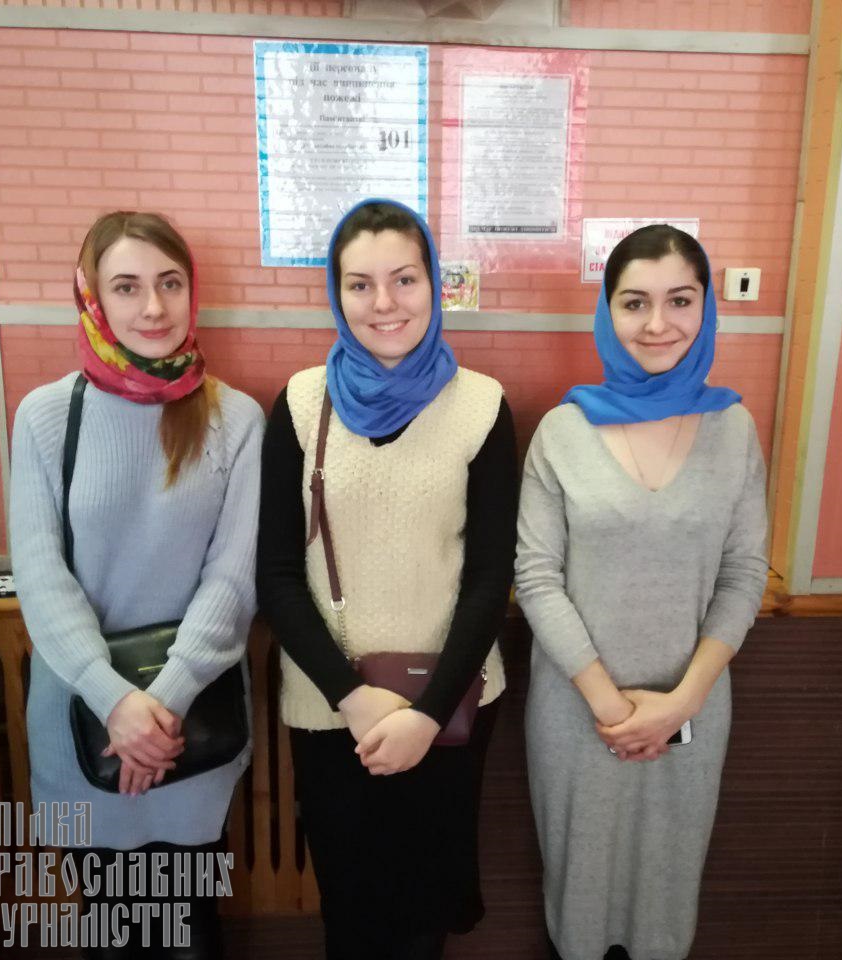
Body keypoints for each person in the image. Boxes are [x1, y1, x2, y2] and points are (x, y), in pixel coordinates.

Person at [256, 198, 518, 960]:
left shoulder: (481, 406)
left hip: (450, 705)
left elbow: (490, 576)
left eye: (404, 279)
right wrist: (353, 697)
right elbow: (277, 574)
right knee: (352, 913)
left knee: (424, 918)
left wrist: (425, 716)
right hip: (330, 708)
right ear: (335, 294)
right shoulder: (302, 403)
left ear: (434, 284)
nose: (384, 303)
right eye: (360, 284)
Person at [9, 211, 263, 960]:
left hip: (193, 725)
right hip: (81, 721)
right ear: (92, 297)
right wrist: (115, 702)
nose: (153, 307)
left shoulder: (236, 418)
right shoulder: (46, 416)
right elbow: (40, 575)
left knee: (190, 930)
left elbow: (234, 578)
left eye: (170, 284)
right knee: (108, 929)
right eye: (127, 287)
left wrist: (163, 706)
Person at [514, 225, 769, 960]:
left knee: (665, 901)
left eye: (680, 300)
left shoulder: (734, 430)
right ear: (608, 312)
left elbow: (744, 573)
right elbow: (536, 577)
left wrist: (682, 702)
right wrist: (609, 707)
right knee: (579, 901)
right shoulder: (562, 432)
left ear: (706, 307)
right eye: (635, 303)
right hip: (577, 715)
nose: (658, 324)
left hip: (692, 711)